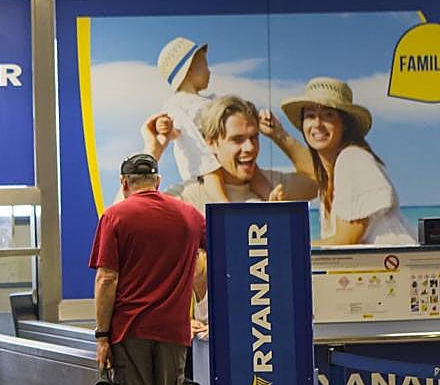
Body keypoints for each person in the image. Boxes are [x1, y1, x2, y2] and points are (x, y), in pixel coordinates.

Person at [90, 153, 205, 385]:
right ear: (157, 180)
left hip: (131, 330)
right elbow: (211, 256)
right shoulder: (189, 215)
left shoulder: (117, 216)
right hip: (175, 330)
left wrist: (102, 335)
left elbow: (107, 278)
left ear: (125, 183)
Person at [280, 77, 414, 246]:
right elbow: (307, 168)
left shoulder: (352, 158)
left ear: (345, 123)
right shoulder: (330, 176)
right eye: (310, 115)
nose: (317, 123)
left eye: (328, 115)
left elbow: (347, 240)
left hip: (396, 268)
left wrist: (290, 248)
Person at [145, 95, 317, 213]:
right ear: (211, 143)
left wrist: (279, 135)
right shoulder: (190, 196)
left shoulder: (272, 186)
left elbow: (317, 181)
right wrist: (153, 150)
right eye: (237, 139)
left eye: (254, 137)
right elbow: (123, 220)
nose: (250, 147)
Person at [155, 37, 274, 202]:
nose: (209, 71)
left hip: (225, 157)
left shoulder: (210, 101)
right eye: (204, 65)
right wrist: (165, 127)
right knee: (213, 176)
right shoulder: (177, 104)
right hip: (203, 161)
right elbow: (175, 131)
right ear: (189, 70)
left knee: (255, 173)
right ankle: (225, 207)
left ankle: (271, 196)